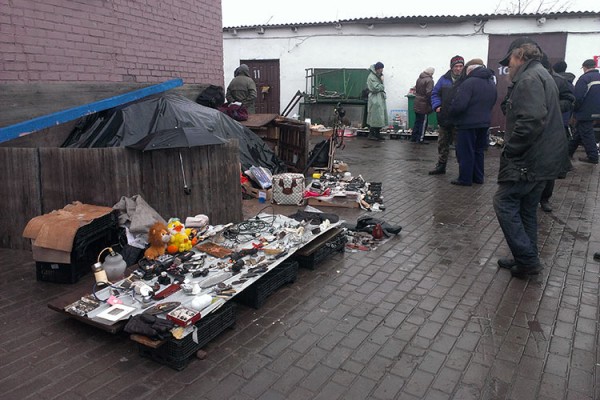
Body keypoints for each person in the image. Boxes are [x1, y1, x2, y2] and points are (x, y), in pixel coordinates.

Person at [493, 37, 568, 278]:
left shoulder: (529, 78)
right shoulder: (543, 75)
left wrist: (511, 149)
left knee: (504, 202)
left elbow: (532, 120)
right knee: (526, 208)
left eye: (510, 61)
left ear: (520, 56)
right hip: (543, 158)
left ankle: (526, 260)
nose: (509, 66)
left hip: (530, 159)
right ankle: (526, 257)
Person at [447, 59, 497, 186]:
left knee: (466, 151)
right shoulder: (491, 82)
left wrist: (451, 111)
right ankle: (478, 177)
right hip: (484, 122)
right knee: (479, 151)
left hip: (467, 123)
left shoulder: (468, 83)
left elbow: (460, 105)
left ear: (470, 70)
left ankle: (465, 178)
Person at [538, 55, 575, 212]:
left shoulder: (559, 80)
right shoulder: (525, 78)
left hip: (551, 128)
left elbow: (569, 99)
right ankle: (529, 197)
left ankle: (545, 198)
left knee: (549, 166)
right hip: (531, 128)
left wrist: (553, 106)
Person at [429, 55, 465, 174]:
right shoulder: (443, 79)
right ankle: (441, 165)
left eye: (461, 66)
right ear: (451, 67)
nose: (459, 69)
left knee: (460, 145)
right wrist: (437, 106)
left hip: (459, 118)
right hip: (444, 117)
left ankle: (462, 169)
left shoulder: (466, 80)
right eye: (456, 66)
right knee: (442, 143)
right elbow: (435, 93)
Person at [568, 59, 600, 164]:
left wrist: (575, 110)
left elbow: (578, 97)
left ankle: (593, 157)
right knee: (579, 132)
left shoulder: (584, 78)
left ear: (585, 67)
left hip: (585, 111)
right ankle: (568, 152)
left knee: (587, 133)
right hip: (596, 110)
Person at [410, 67, 435, 143]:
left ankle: (414, 137)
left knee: (417, 121)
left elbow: (416, 89)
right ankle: (420, 139)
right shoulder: (429, 80)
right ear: (431, 73)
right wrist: (432, 103)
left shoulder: (419, 78)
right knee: (423, 122)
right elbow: (429, 93)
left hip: (417, 102)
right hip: (424, 104)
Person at [366, 62, 388, 141]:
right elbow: (375, 88)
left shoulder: (377, 76)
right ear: (377, 69)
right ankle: (371, 134)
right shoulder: (371, 77)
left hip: (379, 98)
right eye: (381, 69)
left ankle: (377, 134)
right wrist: (382, 83)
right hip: (375, 99)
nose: (382, 70)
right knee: (375, 116)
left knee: (379, 117)